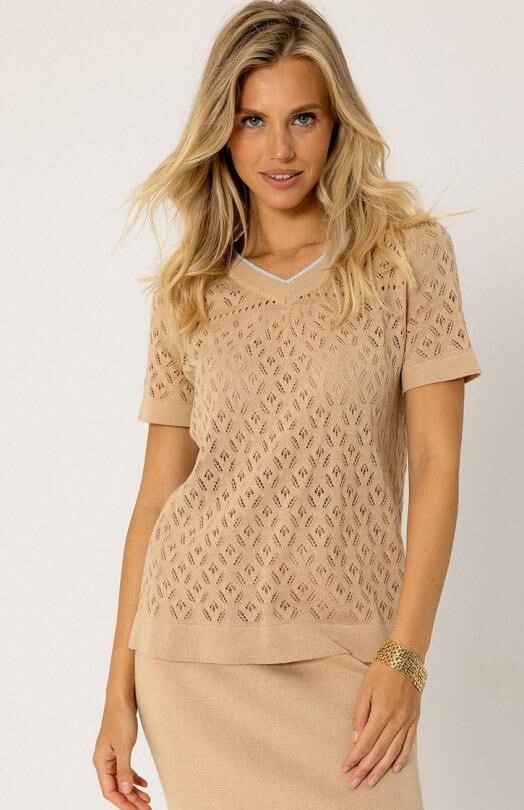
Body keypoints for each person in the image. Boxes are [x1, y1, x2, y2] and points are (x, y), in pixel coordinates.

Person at [92, 1, 482, 808]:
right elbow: (156, 498)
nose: (280, 149)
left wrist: (405, 657)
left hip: (349, 654)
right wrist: (116, 695)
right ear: (223, 132)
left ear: (336, 122)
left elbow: (436, 462)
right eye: (252, 121)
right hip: (191, 656)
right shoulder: (191, 289)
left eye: (303, 118)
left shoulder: (407, 259)